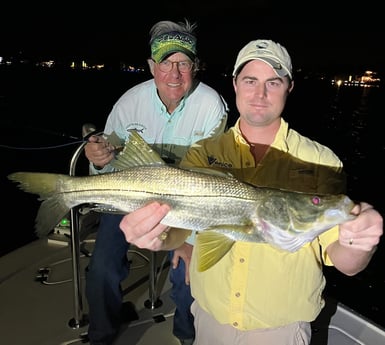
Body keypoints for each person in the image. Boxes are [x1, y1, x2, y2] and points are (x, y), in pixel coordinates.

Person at [119, 39, 383, 345]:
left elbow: (345, 262)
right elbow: (180, 232)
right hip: (209, 319)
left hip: (280, 330)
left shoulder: (321, 162)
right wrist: (157, 236)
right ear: (235, 84)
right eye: (250, 81)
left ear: (289, 87)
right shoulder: (204, 152)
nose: (260, 94)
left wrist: (361, 242)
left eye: (273, 82)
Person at [84, 19, 228, 345]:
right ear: (152, 66)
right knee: (102, 269)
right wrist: (98, 161)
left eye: (183, 63)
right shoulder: (128, 103)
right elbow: (107, 167)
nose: (174, 74)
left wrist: (189, 240)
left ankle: (187, 336)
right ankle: (101, 336)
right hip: (128, 200)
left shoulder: (211, 106)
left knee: (188, 272)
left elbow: (210, 179)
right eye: (166, 63)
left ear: (195, 66)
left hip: (187, 206)